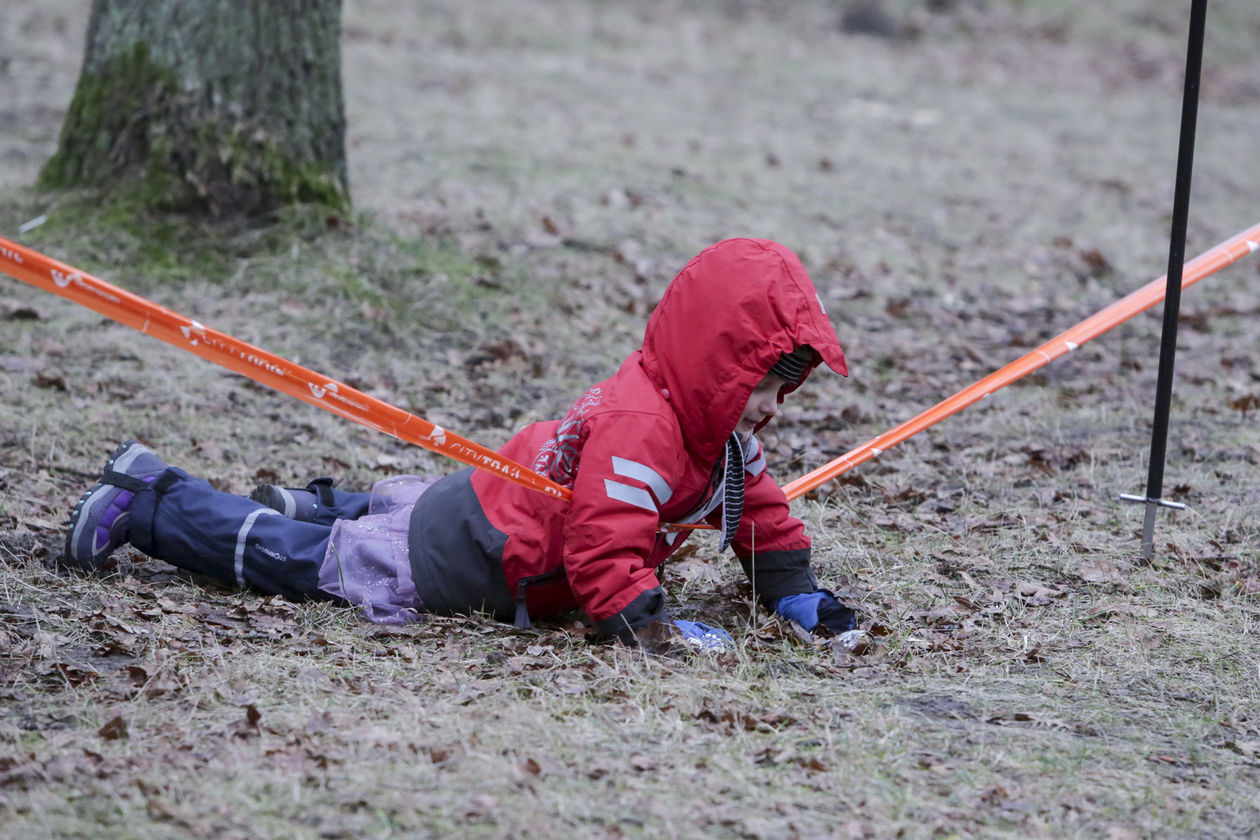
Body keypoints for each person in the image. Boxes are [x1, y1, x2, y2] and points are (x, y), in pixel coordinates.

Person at [63, 238, 858, 649]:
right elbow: (603, 550)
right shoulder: (644, 431)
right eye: (762, 382)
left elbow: (759, 511)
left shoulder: (715, 431)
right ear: (713, 365)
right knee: (311, 565)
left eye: (785, 388)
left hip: (490, 508)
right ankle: (149, 502)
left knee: (380, 523)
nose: (773, 407)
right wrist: (651, 626)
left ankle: (320, 503)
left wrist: (794, 591)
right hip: (466, 557)